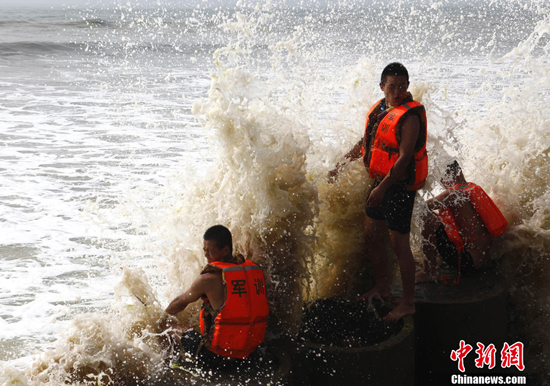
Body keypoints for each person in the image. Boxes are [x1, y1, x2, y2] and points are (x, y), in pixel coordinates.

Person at [329, 62, 428, 322]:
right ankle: (382, 285)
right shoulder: (381, 109)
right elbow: (367, 142)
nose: (397, 91)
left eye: (402, 86)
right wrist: (340, 164)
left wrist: (383, 189)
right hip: (381, 184)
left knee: (399, 245)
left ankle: (407, 303)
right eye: (392, 86)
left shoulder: (410, 117)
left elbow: (405, 157)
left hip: (398, 188)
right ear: (382, 86)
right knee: (371, 236)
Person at [164, 225, 269, 366]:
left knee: (168, 324)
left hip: (216, 360)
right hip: (250, 355)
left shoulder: (208, 279)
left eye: (210, 251)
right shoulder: (255, 271)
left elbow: (180, 302)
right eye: (204, 250)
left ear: (225, 250)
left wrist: (161, 317)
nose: (206, 255)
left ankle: (168, 363)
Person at [415, 161, 508, 283]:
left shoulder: (454, 193)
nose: (442, 183)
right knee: (436, 217)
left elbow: (421, 208)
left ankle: (429, 271)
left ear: (451, 175)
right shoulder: (471, 188)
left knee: (425, 215)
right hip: (479, 260)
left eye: (442, 178)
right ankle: (434, 261)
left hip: (466, 262)